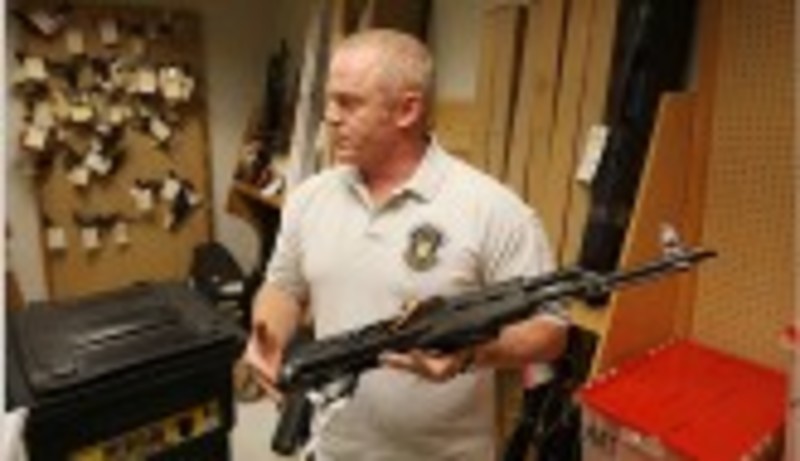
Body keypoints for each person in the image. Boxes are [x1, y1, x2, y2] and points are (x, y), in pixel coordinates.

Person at [244, 28, 568, 461]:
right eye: (329, 101)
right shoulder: (309, 197)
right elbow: (284, 286)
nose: (331, 117)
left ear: (407, 109)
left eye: (349, 103)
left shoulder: (493, 210)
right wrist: (268, 338)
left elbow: (550, 331)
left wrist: (471, 355)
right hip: (333, 447)